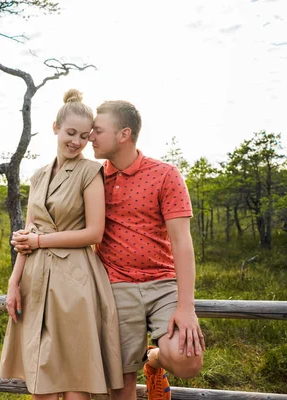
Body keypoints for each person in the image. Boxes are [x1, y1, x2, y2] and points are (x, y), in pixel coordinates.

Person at [0, 89, 124, 399]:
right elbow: (28, 233)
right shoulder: (38, 176)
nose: (77, 141)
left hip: (74, 280)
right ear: (55, 127)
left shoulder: (90, 171)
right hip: (36, 280)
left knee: (73, 379)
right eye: (71, 133)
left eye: (84, 136)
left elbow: (95, 233)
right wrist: (14, 282)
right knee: (40, 381)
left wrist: (40, 240)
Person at [88, 100, 205, 400]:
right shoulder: (93, 178)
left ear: (123, 134)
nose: (90, 137)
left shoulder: (165, 174)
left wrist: (186, 307)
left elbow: (182, 242)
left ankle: (153, 362)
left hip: (163, 284)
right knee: (120, 383)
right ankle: (140, 365)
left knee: (188, 360)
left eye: (98, 131)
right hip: (116, 285)